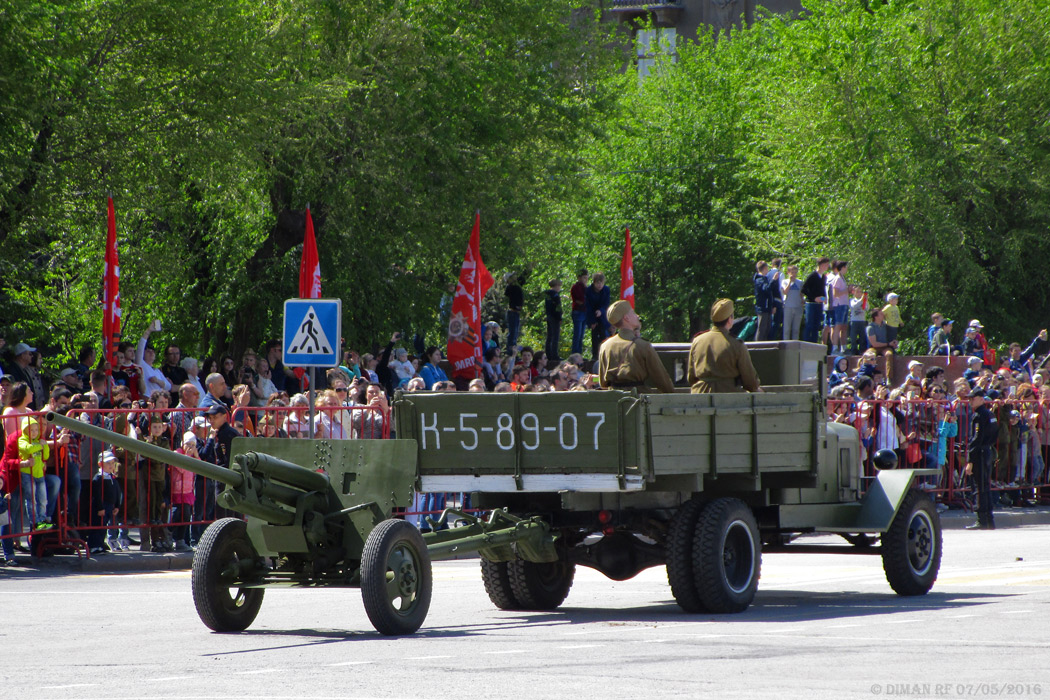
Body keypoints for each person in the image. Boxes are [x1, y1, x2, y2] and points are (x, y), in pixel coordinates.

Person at [597, 300, 674, 393]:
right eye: (633, 313)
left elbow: (603, 383)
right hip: (639, 398)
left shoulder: (605, 346)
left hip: (613, 399)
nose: (637, 316)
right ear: (626, 318)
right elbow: (661, 378)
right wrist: (671, 394)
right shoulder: (642, 345)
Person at [688, 299, 761, 394]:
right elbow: (750, 382)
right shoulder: (736, 344)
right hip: (729, 396)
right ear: (730, 319)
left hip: (700, 395)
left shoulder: (697, 341)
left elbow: (691, 377)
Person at [966, 388, 999, 530]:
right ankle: (989, 519)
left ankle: (982, 520)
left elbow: (976, 439)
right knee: (985, 485)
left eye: (972, 399)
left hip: (979, 453)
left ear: (980, 398)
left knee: (979, 486)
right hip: (988, 451)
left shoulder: (979, 415)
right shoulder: (990, 414)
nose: (970, 401)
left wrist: (970, 461)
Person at [88, 450, 123, 555]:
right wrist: (100, 508)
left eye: (112, 463)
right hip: (101, 506)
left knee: (103, 527)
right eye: (108, 463)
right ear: (100, 464)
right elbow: (97, 495)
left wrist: (117, 505)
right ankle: (93, 546)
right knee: (97, 526)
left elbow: (117, 492)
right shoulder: (98, 478)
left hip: (109, 506)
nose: (111, 465)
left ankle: (100, 544)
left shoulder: (112, 477)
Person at [801, 258, 830, 344]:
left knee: (816, 326)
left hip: (819, 305)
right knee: (809, 324)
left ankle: (814, 344)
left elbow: (822, 289)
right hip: (811, 304)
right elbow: (804, 289)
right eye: (826, 264)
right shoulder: (812, 276)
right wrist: (814, 298)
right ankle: (806, 343)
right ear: (821, 265)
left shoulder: (824, 277)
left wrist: (824, 298)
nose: (827, 266)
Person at [586, 272, 611, 359]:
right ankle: (595, 356)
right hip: (592, 315)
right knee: (595, 336)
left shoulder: (606, 290)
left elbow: (606, 303)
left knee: (604, 335)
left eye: (601, 283)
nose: (600, 285)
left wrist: (601, 311)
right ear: (594, 282)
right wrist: (592, 321)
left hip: (603, 316)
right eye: (598, 283)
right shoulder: (589, 291)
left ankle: (605, 354)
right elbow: (588, 307)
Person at [780, 264, 804, 341]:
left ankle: (795, 345)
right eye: (792, 272)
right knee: (787, 329)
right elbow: (785, 292)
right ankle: (786, 344)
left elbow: (801, 294)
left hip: (798, 307)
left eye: (795, 272)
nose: (794, 274)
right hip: (788, 307)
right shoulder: (784, 282)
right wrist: (790, 281)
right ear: (788, 273)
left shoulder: (800, 282)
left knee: (796, 329)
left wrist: (802, 301)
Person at [752, 261, 774, 341]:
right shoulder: (759, 280)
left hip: (767, 308)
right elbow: (766, 289)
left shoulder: (764, 279)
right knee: (762, 328)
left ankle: (764, 345)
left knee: (767, 328)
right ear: (764, 268)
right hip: (762, 308)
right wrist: (773, 280)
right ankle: (757, 346)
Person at [504, 273, 524, 352]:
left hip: (516, 312)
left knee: (515, 333)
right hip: (513, 312)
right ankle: (510, 350)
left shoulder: (517, 286)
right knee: (512, 332)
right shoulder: (510, 288)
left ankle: (514, 349)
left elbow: (523, 280)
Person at [570, 269, 588, 356]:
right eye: (584, 278)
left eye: (586, 277)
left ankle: (579, 353)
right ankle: (575, 353)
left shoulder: (586, 287)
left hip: (585, 312)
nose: (586, 279)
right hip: (578, 312)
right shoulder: (576, 287)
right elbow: (580, 299)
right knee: (577, 334)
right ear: (579, 278)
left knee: (581, 336)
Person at [544, 278, 563, 363]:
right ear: (556, 286)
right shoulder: (555, 295)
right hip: (555, 317)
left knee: (549, 336)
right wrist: (559, 317)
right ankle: (554, 355)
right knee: (555, 336)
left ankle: (549, 354)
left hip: (549, 316)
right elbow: (557, 307)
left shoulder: (547, 295)